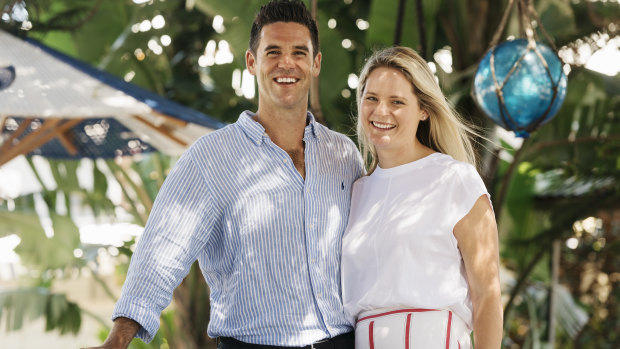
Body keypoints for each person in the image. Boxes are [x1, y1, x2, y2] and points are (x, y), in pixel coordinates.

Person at [85, 1, 363, 348]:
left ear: (316, 63)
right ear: (252, 62)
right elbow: (162, 249)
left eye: (299, 52)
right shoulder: (210, 158)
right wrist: (117, 340)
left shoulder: (344, 155)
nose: (286, 63)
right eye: (273, 51)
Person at [340, 46, 503, 349]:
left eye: (397, 102)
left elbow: (487, 295)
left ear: (424, 110)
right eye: (371, 98)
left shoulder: (455, 179)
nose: (381, 111)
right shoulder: (357, 190)